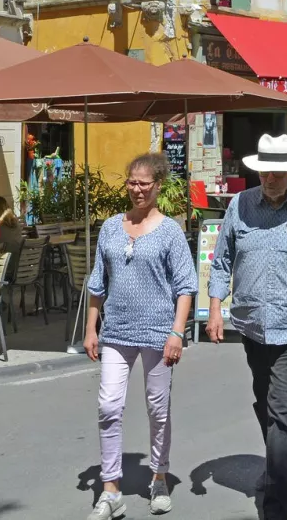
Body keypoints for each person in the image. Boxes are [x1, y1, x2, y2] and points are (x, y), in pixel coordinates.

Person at [206, 132, 287, 520]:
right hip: (251, 325)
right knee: (264, 401)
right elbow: (222, 259)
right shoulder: (240, 205)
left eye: (278, 172)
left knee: (283, 413)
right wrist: (215, 308)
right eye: (265, 171)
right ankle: (276, 464)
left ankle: (277, 509)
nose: (270, 179)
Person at [84, 154, 198, 520]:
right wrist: (91, 328)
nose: (136, 189)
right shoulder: (110, 228)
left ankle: (159, 477)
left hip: (158, 332)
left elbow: (185, 287)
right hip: (116, 330)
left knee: (157, 409)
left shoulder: (170, 232)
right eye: (132, 182)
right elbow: (98, 282)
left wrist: (177, 333)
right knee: (108, 406)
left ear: (158, 185)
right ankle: (111, 488)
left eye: (143, 183)